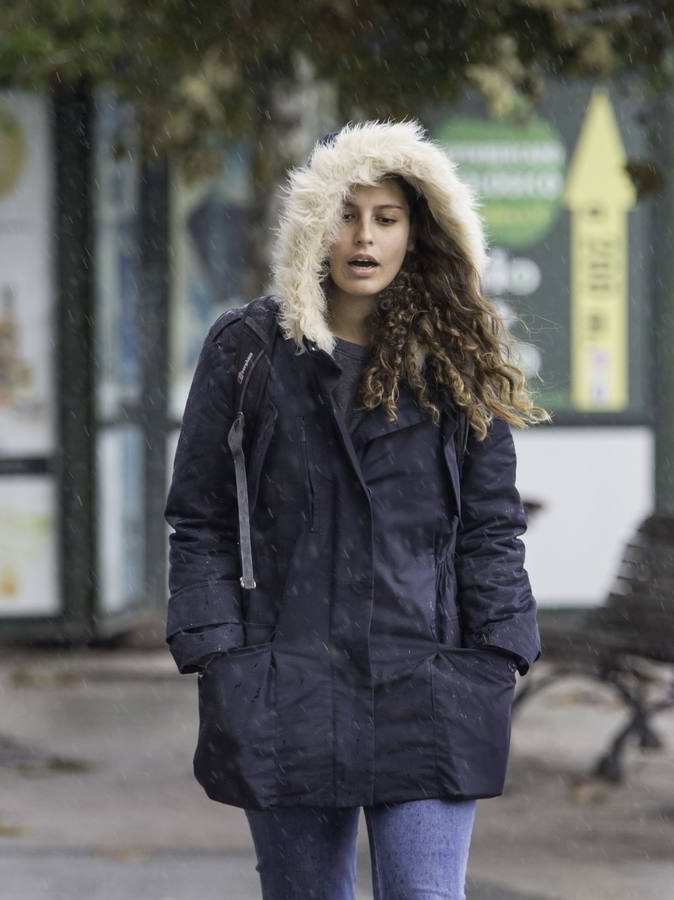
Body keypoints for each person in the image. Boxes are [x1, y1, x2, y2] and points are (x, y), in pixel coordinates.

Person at [165, 121, 546, 900]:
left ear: (420, 230)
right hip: (287, 681)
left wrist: (499, 650)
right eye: (345, 213)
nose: (363, 237)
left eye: (387, 217)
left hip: (429, 678)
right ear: (313, 225)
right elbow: (199, 514)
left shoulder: (457, 357)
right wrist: (219, 651)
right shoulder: (249, 348)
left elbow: (491, 525)